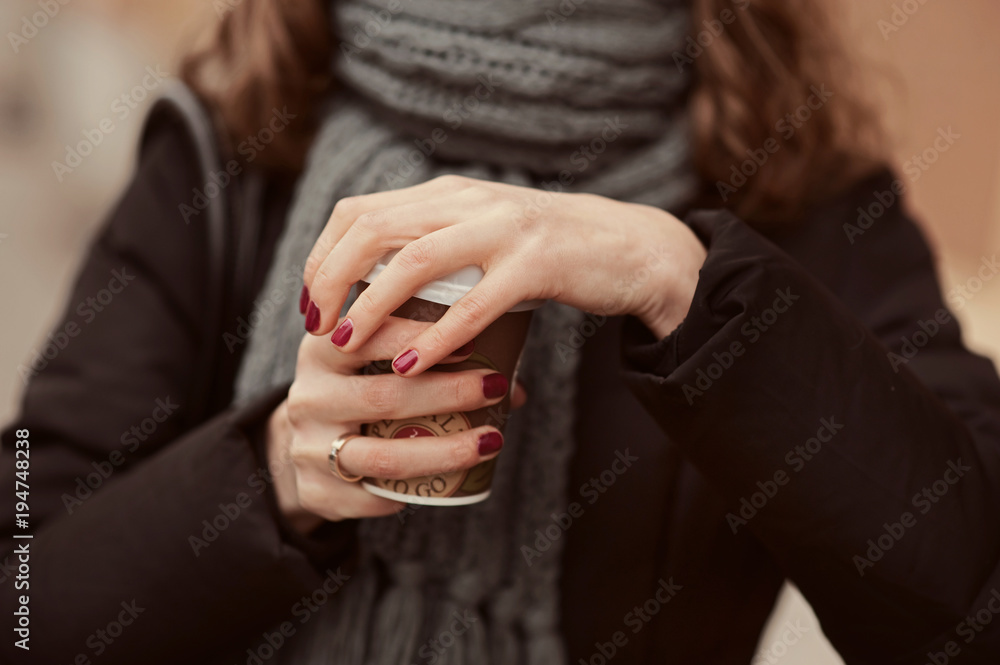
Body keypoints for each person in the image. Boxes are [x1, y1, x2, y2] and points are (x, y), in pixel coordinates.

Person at [3, 0, 1000, 663]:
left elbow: (969, 611)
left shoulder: (804, 191)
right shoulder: (229, 150)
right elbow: (25, 607)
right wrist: (269, 476)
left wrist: (684, 281)